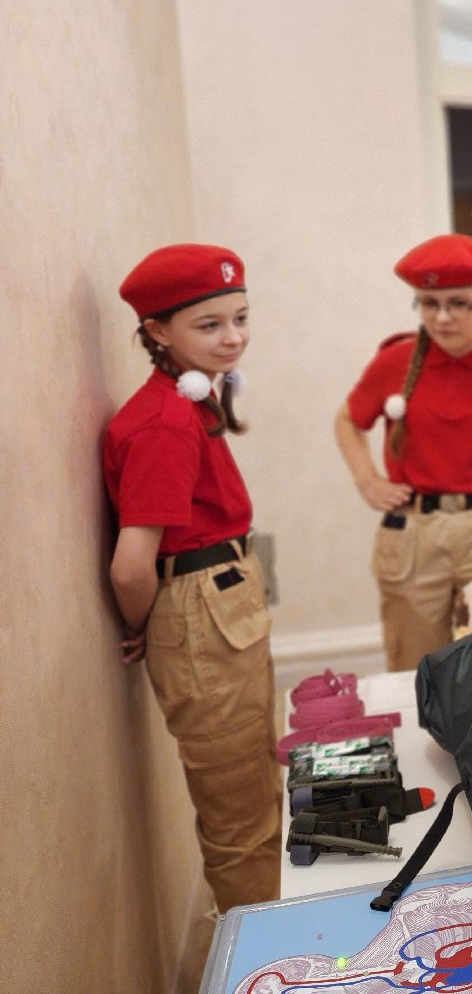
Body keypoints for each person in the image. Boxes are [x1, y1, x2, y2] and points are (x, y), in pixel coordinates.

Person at [104, 243, 281, 916]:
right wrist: (137, 626)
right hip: (196, 611)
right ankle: (265, 961)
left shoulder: (192, 400)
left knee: (253, 786)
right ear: (157, 331)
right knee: (240, 818)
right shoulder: (166, 421)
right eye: (210, 325)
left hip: (218, 601)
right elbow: (131, 565)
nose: (232, 337)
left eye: (240, 317)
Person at [335, 234, 472, 672]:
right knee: (415, 663)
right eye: (428, 303)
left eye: (459, 303)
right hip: (414, 532)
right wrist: (367, 480)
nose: (442, 318)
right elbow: (347, 419)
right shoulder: (395, 361)